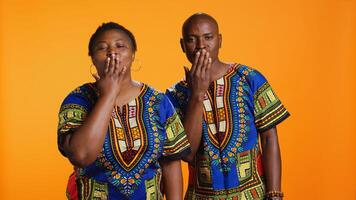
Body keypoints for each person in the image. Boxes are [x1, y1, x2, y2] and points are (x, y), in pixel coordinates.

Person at [57, 22, 190, 200]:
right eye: (102, 48)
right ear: (93, 58)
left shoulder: (158, 101)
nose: (113, 52)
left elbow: (171, 163)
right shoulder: (78, 100)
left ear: (133, 54)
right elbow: (81, 155)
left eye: (120, 46)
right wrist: (108, 95)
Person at [166, 13, 290, 200]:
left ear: (219, 40)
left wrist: (274, 194)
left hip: (252, 195)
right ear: (182, 45)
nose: (201, 46)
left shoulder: (249, 79)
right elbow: (188, 154)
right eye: (192, 40)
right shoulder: (175, 95)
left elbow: (269, 139)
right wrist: (197, 95)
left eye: (208, 37)